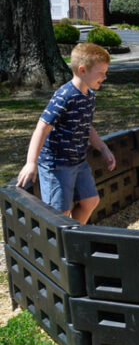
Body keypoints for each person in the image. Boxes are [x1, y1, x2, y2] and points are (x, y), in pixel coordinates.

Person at [16, 43, 116, 224]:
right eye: (100, 72)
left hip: (78, 160)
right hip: (56, 163)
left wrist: (103, 148)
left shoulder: (89, 96)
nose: (105, 76)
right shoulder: (65, 96)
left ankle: (73, 236)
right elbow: (41, 127)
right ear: (82, 70)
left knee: (90, 201)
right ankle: (60, 246)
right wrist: (31, 162)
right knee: (60, 213)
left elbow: (86, 126)